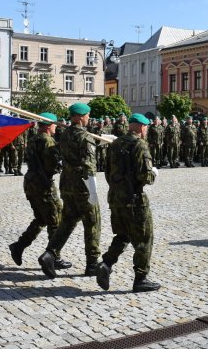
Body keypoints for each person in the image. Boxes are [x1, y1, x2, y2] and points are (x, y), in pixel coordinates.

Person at [96, 113, 160, 293]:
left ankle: (106, 264)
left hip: (116, 197)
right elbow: (144, 176)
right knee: (144, 239)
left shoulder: (115, 144)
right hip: (135, 200)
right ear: (140, 127)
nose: (146, 130)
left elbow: (107, 172)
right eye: (146, 127)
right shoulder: (139, 144)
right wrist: (153, 173)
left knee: (123, 235)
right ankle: (141, 278)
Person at [38, 102, 102, 278]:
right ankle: (92, 264)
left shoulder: (64, 134)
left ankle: (50, 253)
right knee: (92, 223)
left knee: (67, 222)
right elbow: (89, 167)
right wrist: (94, 192)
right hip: (83, 187)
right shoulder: (85, 137)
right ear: (81, 117)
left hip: (67, 185)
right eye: (88, 115)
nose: (89, 118)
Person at [9, 113, 65, 268]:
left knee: (41, 218)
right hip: (43, 184)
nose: (55, 127)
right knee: (56, 219)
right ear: (48, 126)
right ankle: (54, 257)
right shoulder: (48, 141)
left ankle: (19, 246)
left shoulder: (34, 139)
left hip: (30, 182)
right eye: (53, 124)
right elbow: (51, 165)